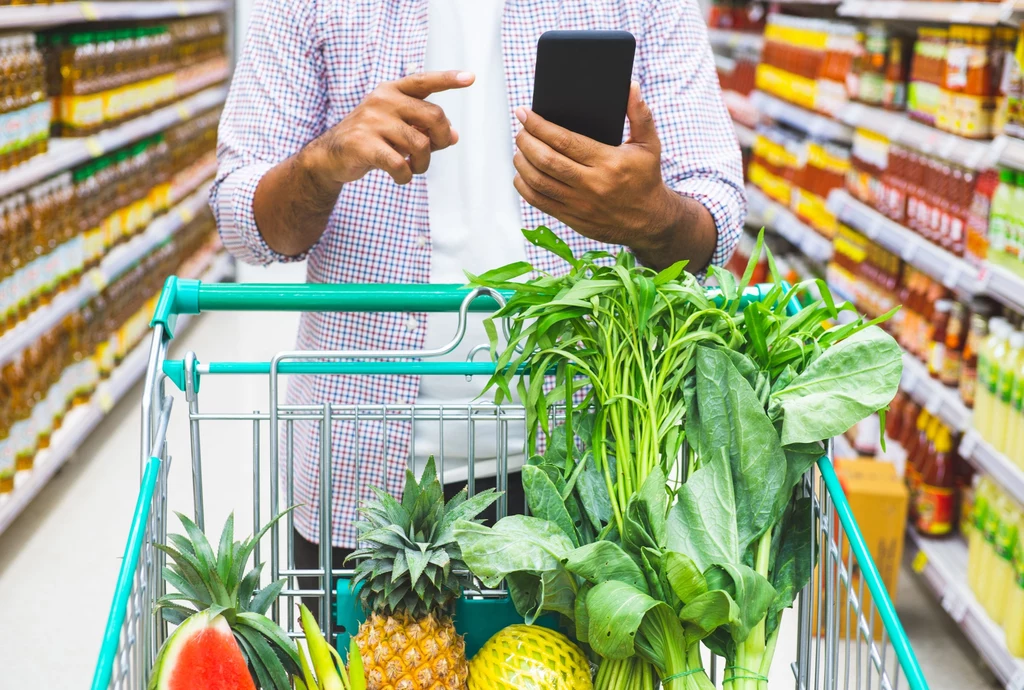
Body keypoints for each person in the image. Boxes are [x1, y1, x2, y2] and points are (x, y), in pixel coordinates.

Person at [211, 0, 745, 608]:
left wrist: (652, 216)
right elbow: (242, 221)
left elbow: (715, 210)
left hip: (585, 474)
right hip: (361, 476)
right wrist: (323, 162)